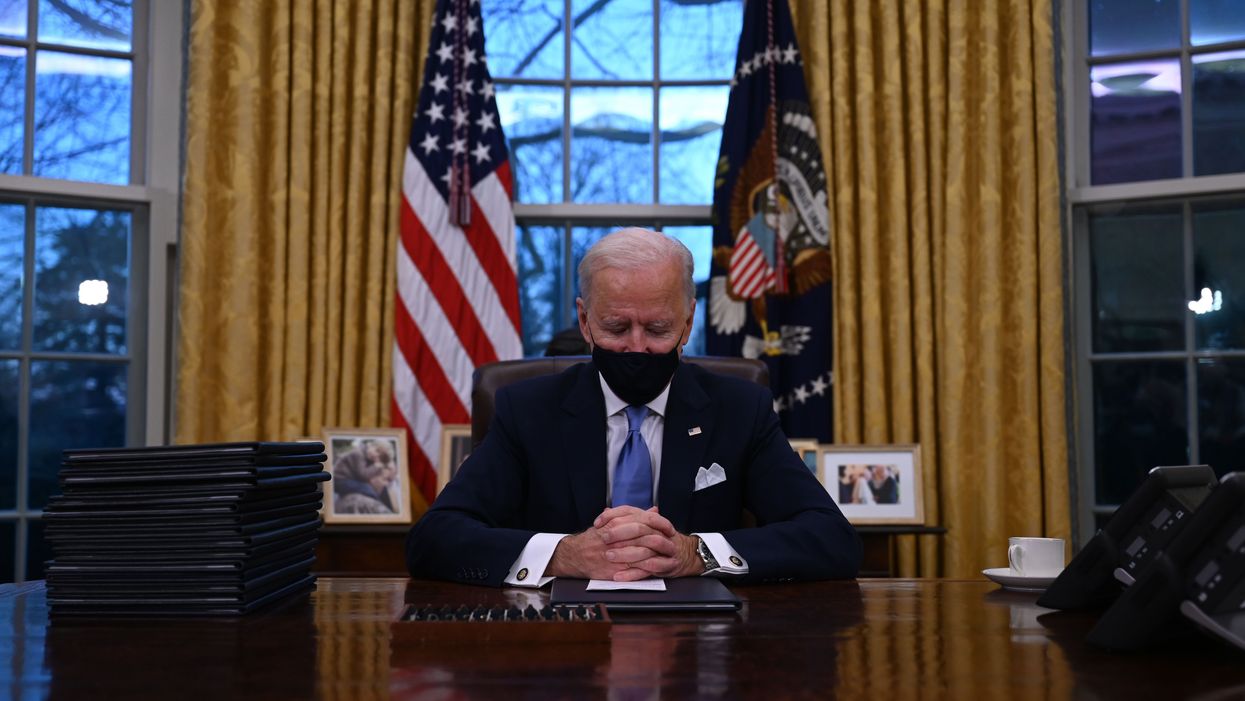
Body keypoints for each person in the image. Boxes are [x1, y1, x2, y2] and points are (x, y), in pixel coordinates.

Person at [406, 227, 861, 586]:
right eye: (616, 327)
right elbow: (435, 539)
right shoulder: (528, 410)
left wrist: (696, 554)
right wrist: (564, 554)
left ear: (688, 322)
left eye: (658, 328)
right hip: (559, 643)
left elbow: (832, 539)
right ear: (585, 321)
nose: (636, 347)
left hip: (702, 645)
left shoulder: (740, 408)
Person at [333, 440, 398, 514]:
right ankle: (376, 501)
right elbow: (363, 475)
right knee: (367, 488)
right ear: (370, 445)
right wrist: (376, 465)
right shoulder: (358, 454)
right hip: (340, 480)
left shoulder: (366, 456)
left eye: (379, 456)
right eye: (377, 450)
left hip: (346, 481)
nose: (376, 455)